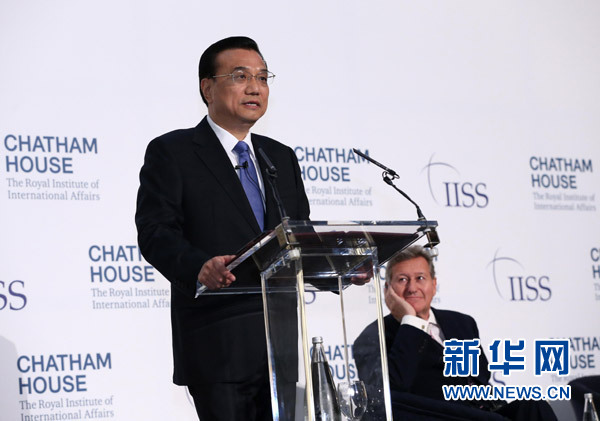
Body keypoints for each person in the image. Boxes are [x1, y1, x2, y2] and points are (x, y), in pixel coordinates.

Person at [135, 36, 310, 421]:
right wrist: (199, 266)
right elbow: (155, 231)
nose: (255, 87)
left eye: (262, 77)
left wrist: (341, 269)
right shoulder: (173, 152)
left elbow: (299, 239)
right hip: (217, 342)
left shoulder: (280, 157)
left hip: (279, 348)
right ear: (208, 88)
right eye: (240, 76)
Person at [353, 246, 557, 420]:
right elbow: (386, 397)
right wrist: (411, 323)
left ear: (434, 285)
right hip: (440, 416)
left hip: (485, 410)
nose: (412, 288)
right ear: (388, 290)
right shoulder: (372, 338)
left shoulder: (461, 323)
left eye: (420, 278)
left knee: (534, 408)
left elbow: (481, 376)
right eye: (402, 279)